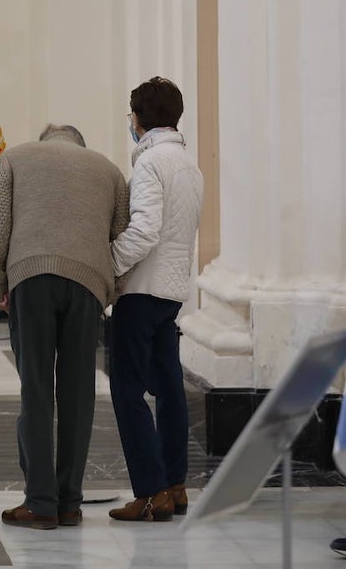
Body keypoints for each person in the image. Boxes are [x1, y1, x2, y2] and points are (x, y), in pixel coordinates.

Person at [0, 123, 130, 529]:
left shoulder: (17, 157)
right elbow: (123, 237)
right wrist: (110, 288)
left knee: (37, 389)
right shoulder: (108, 170)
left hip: (30, 277)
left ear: (47, 140)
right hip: (87, 284)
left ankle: (40, 503)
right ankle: (70, 503)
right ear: (81, 144)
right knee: (78, 395)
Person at [107, 77, 203, 523]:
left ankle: (150, 493)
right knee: (169, 390)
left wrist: (107, 266)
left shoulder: (150, 165)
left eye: (131, 114)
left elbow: (144, 231)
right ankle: (175, 485)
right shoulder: (188, 164)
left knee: (126, 391)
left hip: (142, 291)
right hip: (172, 292)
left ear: (140, 118)